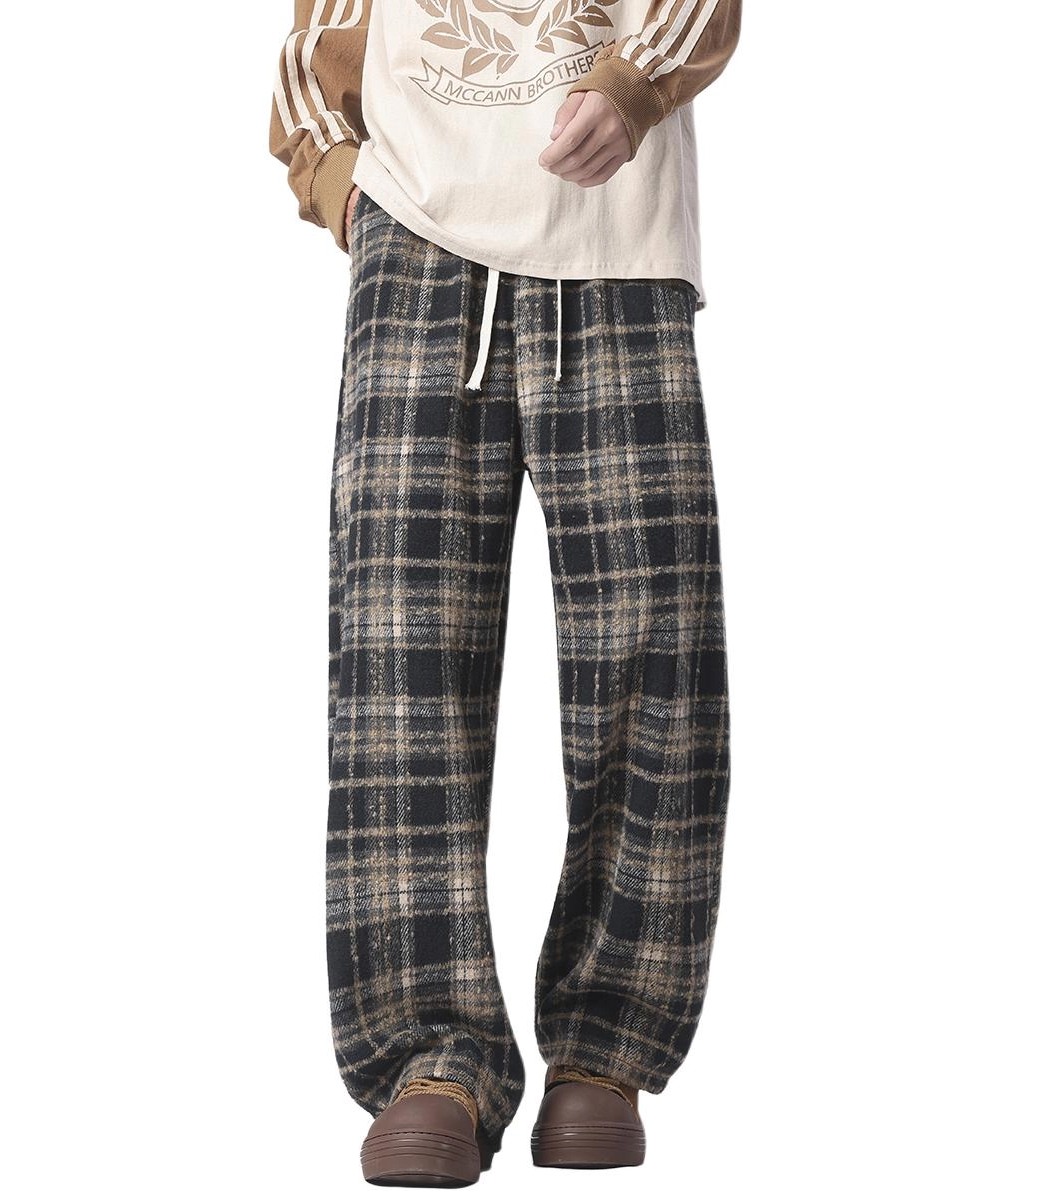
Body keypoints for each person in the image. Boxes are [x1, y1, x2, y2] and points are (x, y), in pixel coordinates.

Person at [270, 1, 741, 1183]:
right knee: (401, 662)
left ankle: (605, 1055)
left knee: (654, 655)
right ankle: (433, 1059)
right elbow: (315, 50)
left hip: (616, 247)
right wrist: (338, 178)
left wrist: (632, 86)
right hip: (418, 248)